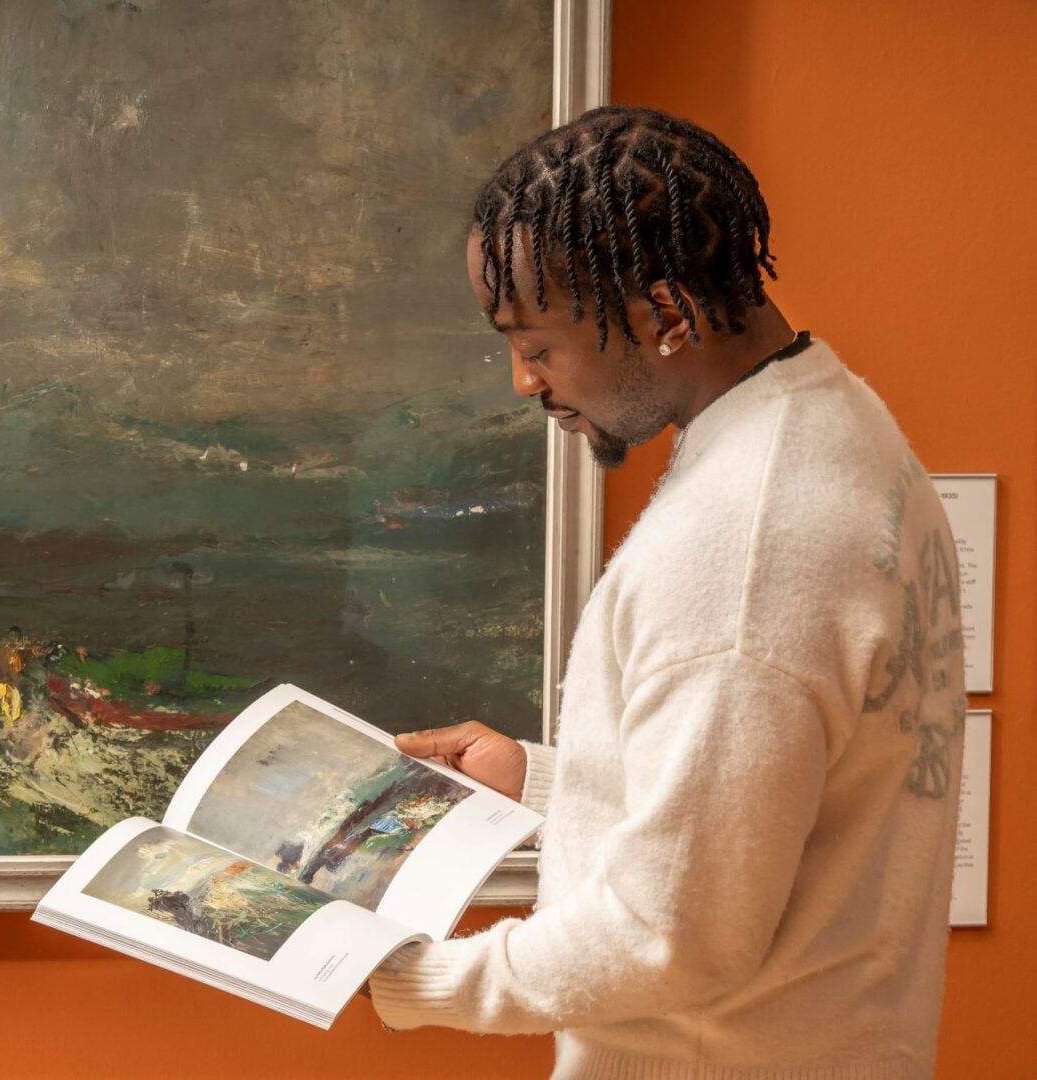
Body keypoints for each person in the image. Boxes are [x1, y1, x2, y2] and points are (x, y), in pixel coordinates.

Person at [368, 105, 966, 1079]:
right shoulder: (838, 426)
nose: (523, 381)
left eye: (538, 344)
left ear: (667, 317)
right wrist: (547, 781)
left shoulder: (746, 544)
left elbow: (671, 935)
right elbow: (779, 796)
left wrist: (398, 974)